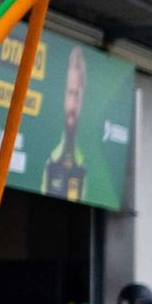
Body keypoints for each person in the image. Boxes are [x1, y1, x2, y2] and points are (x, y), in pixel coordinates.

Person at [41, 47, 91, 204]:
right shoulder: (49, 154)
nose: (73, 104)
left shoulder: (87, 159)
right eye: (70, 93)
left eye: (77, 95)